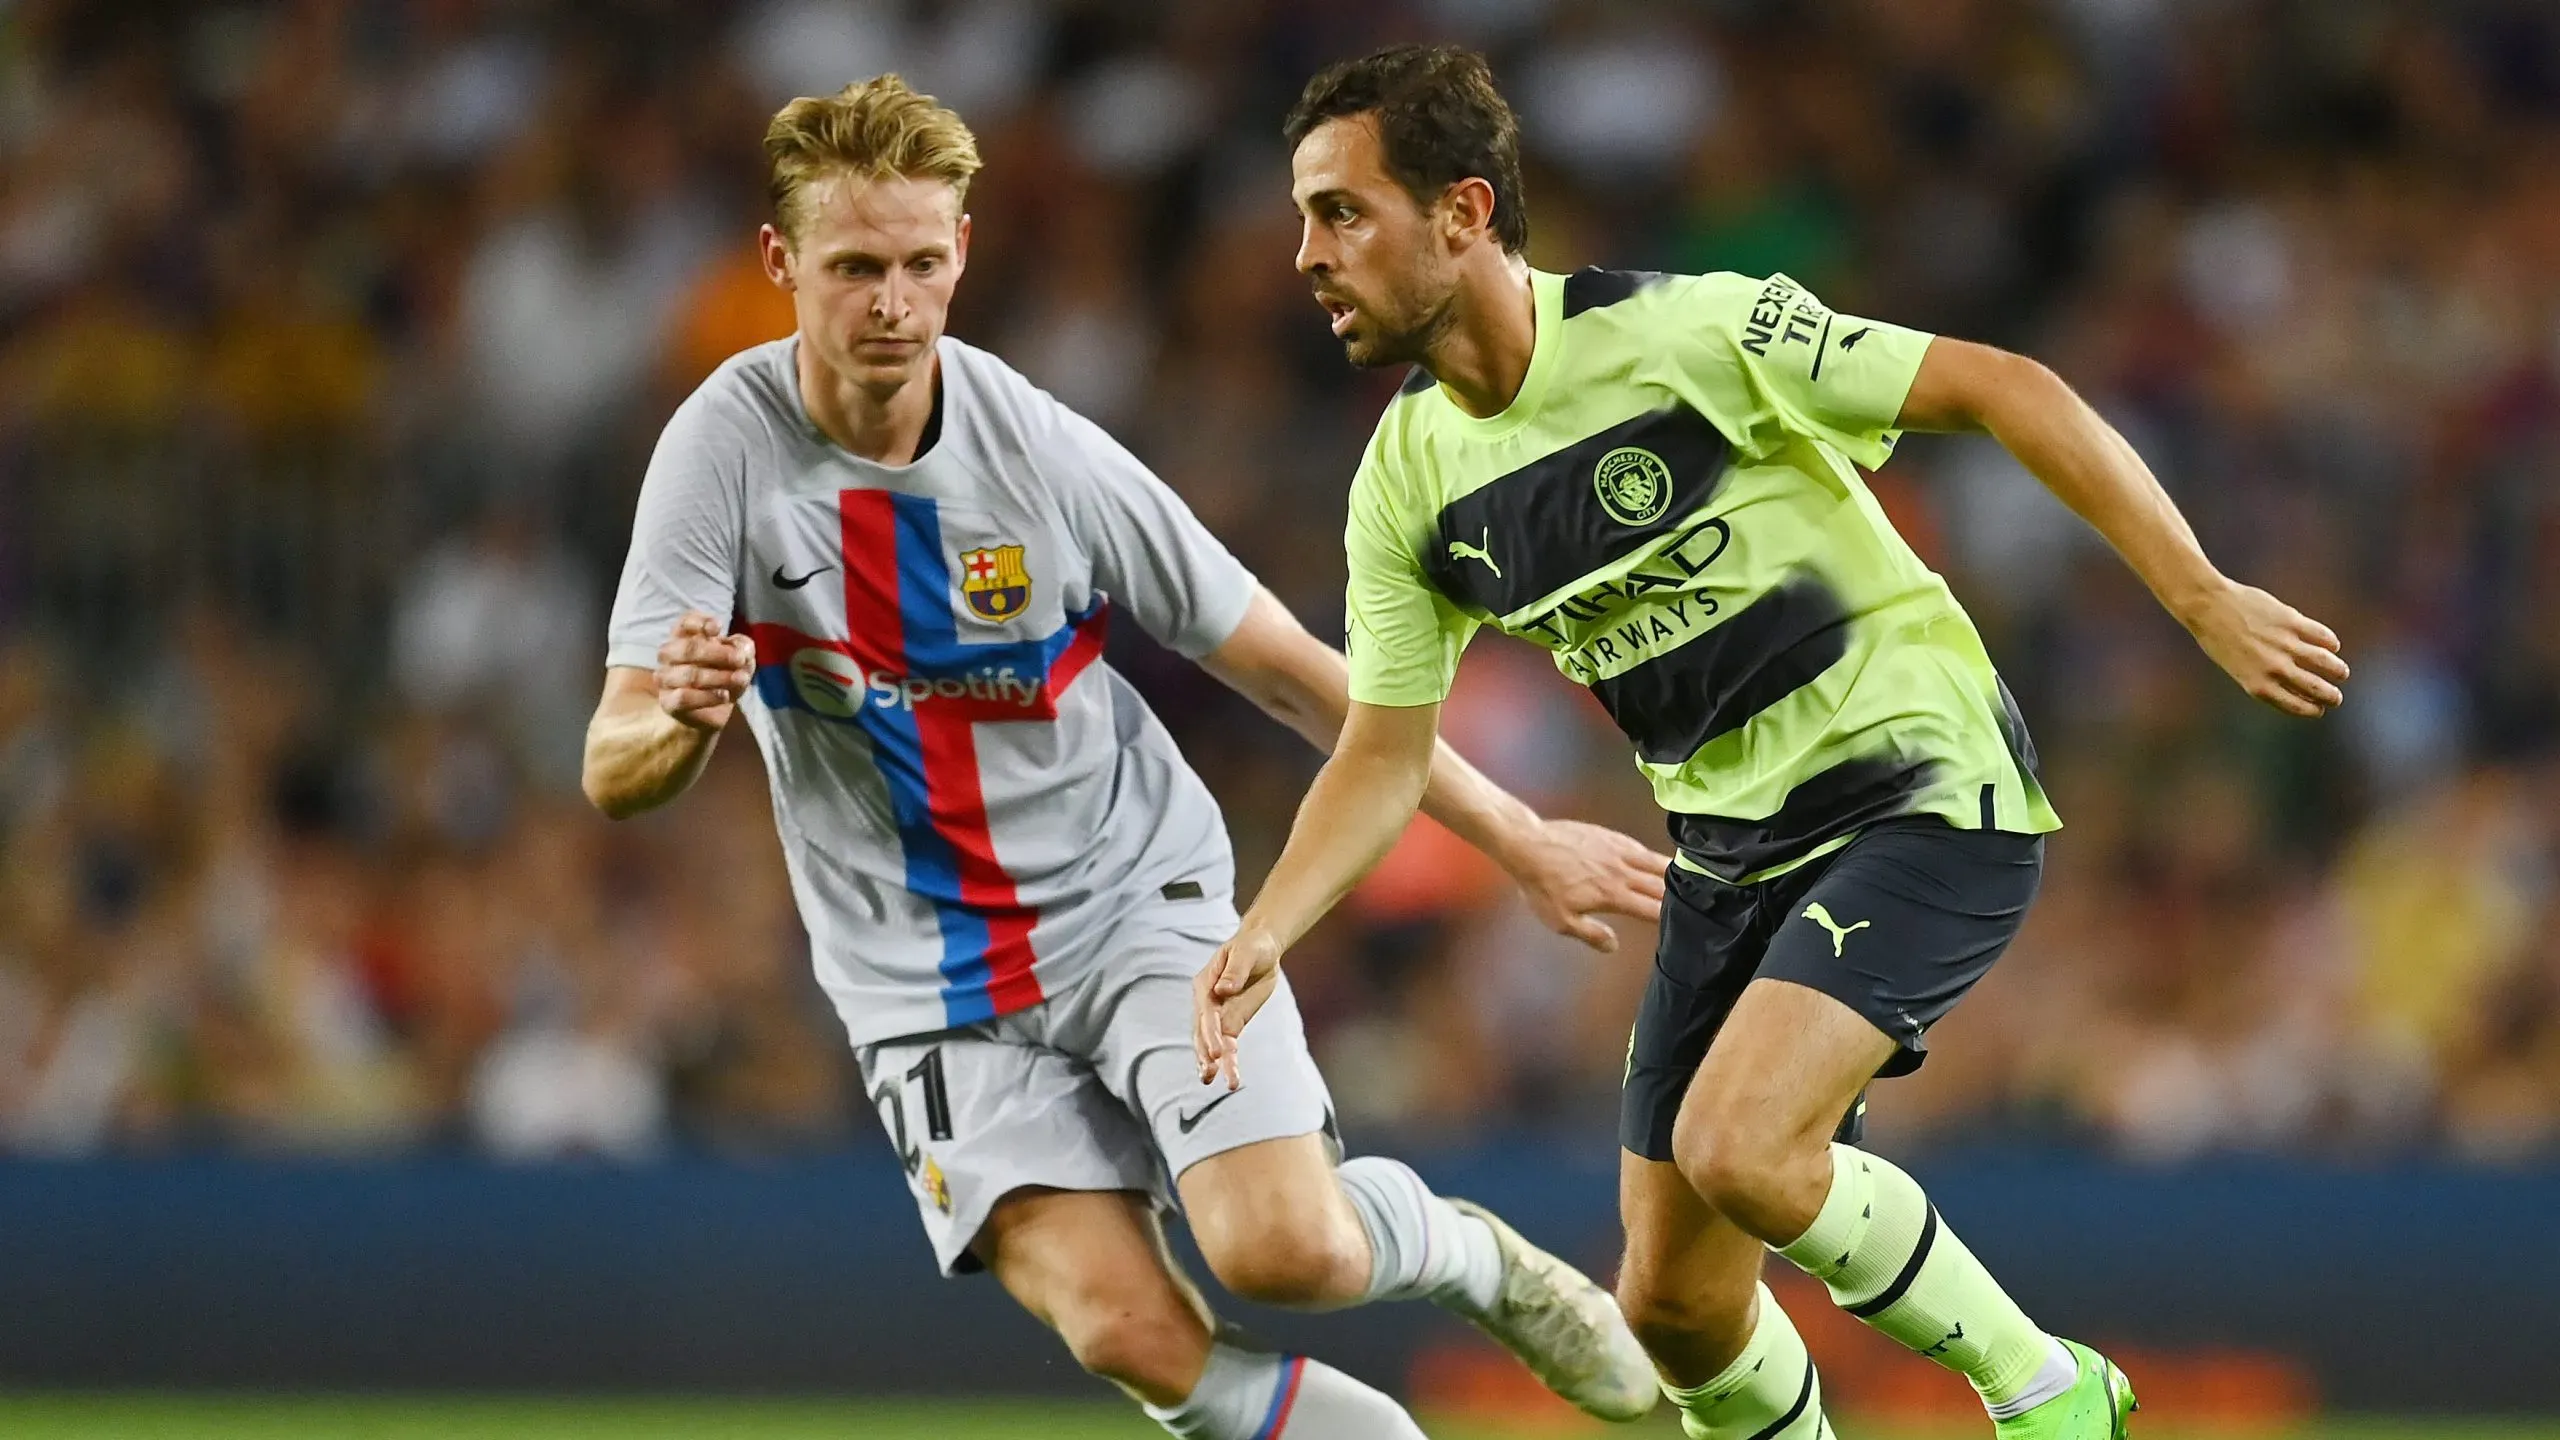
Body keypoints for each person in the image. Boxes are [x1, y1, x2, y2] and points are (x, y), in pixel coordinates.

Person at [1195, 44, 2351, 1440]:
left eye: (1343, 212)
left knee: (1743, 1145)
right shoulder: (1406, 484)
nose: (1307, 255)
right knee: (1675, 1311)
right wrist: (1273, 923)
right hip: (1729, 857)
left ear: (1465, 214)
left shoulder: (1684, 334)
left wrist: (2201, 595)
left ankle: (2051, 1393)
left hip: (1916, 787)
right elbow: (1382, 750)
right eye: (1304, 216)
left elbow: (2008, 386)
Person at [580, 74, 1665, 1440]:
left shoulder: (1035, 448)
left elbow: (1292, 672)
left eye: (922, 263)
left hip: (1129, 907)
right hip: (924, 986)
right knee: (1131, 1334)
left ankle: (1473, 1257)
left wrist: (1520, 837)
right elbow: (617, 762)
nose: (892, 304)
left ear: (962, 253)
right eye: (855, 266)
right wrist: (674, 719)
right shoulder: (719, 456)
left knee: (1290, 1254)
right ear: (781, 263)